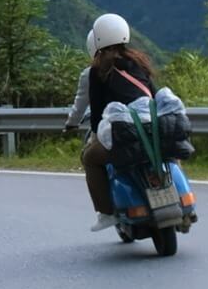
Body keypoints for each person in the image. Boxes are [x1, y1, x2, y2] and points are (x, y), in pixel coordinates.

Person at [63, 13, 157, 231]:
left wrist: (95, 131)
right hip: (152, 126)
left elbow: (95, 113)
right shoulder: (138, 62)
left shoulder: (96, 72)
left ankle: (106, 213)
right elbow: (154, 93)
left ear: (96, 42)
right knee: (164, 148)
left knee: (90, 158)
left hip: (124, 133)